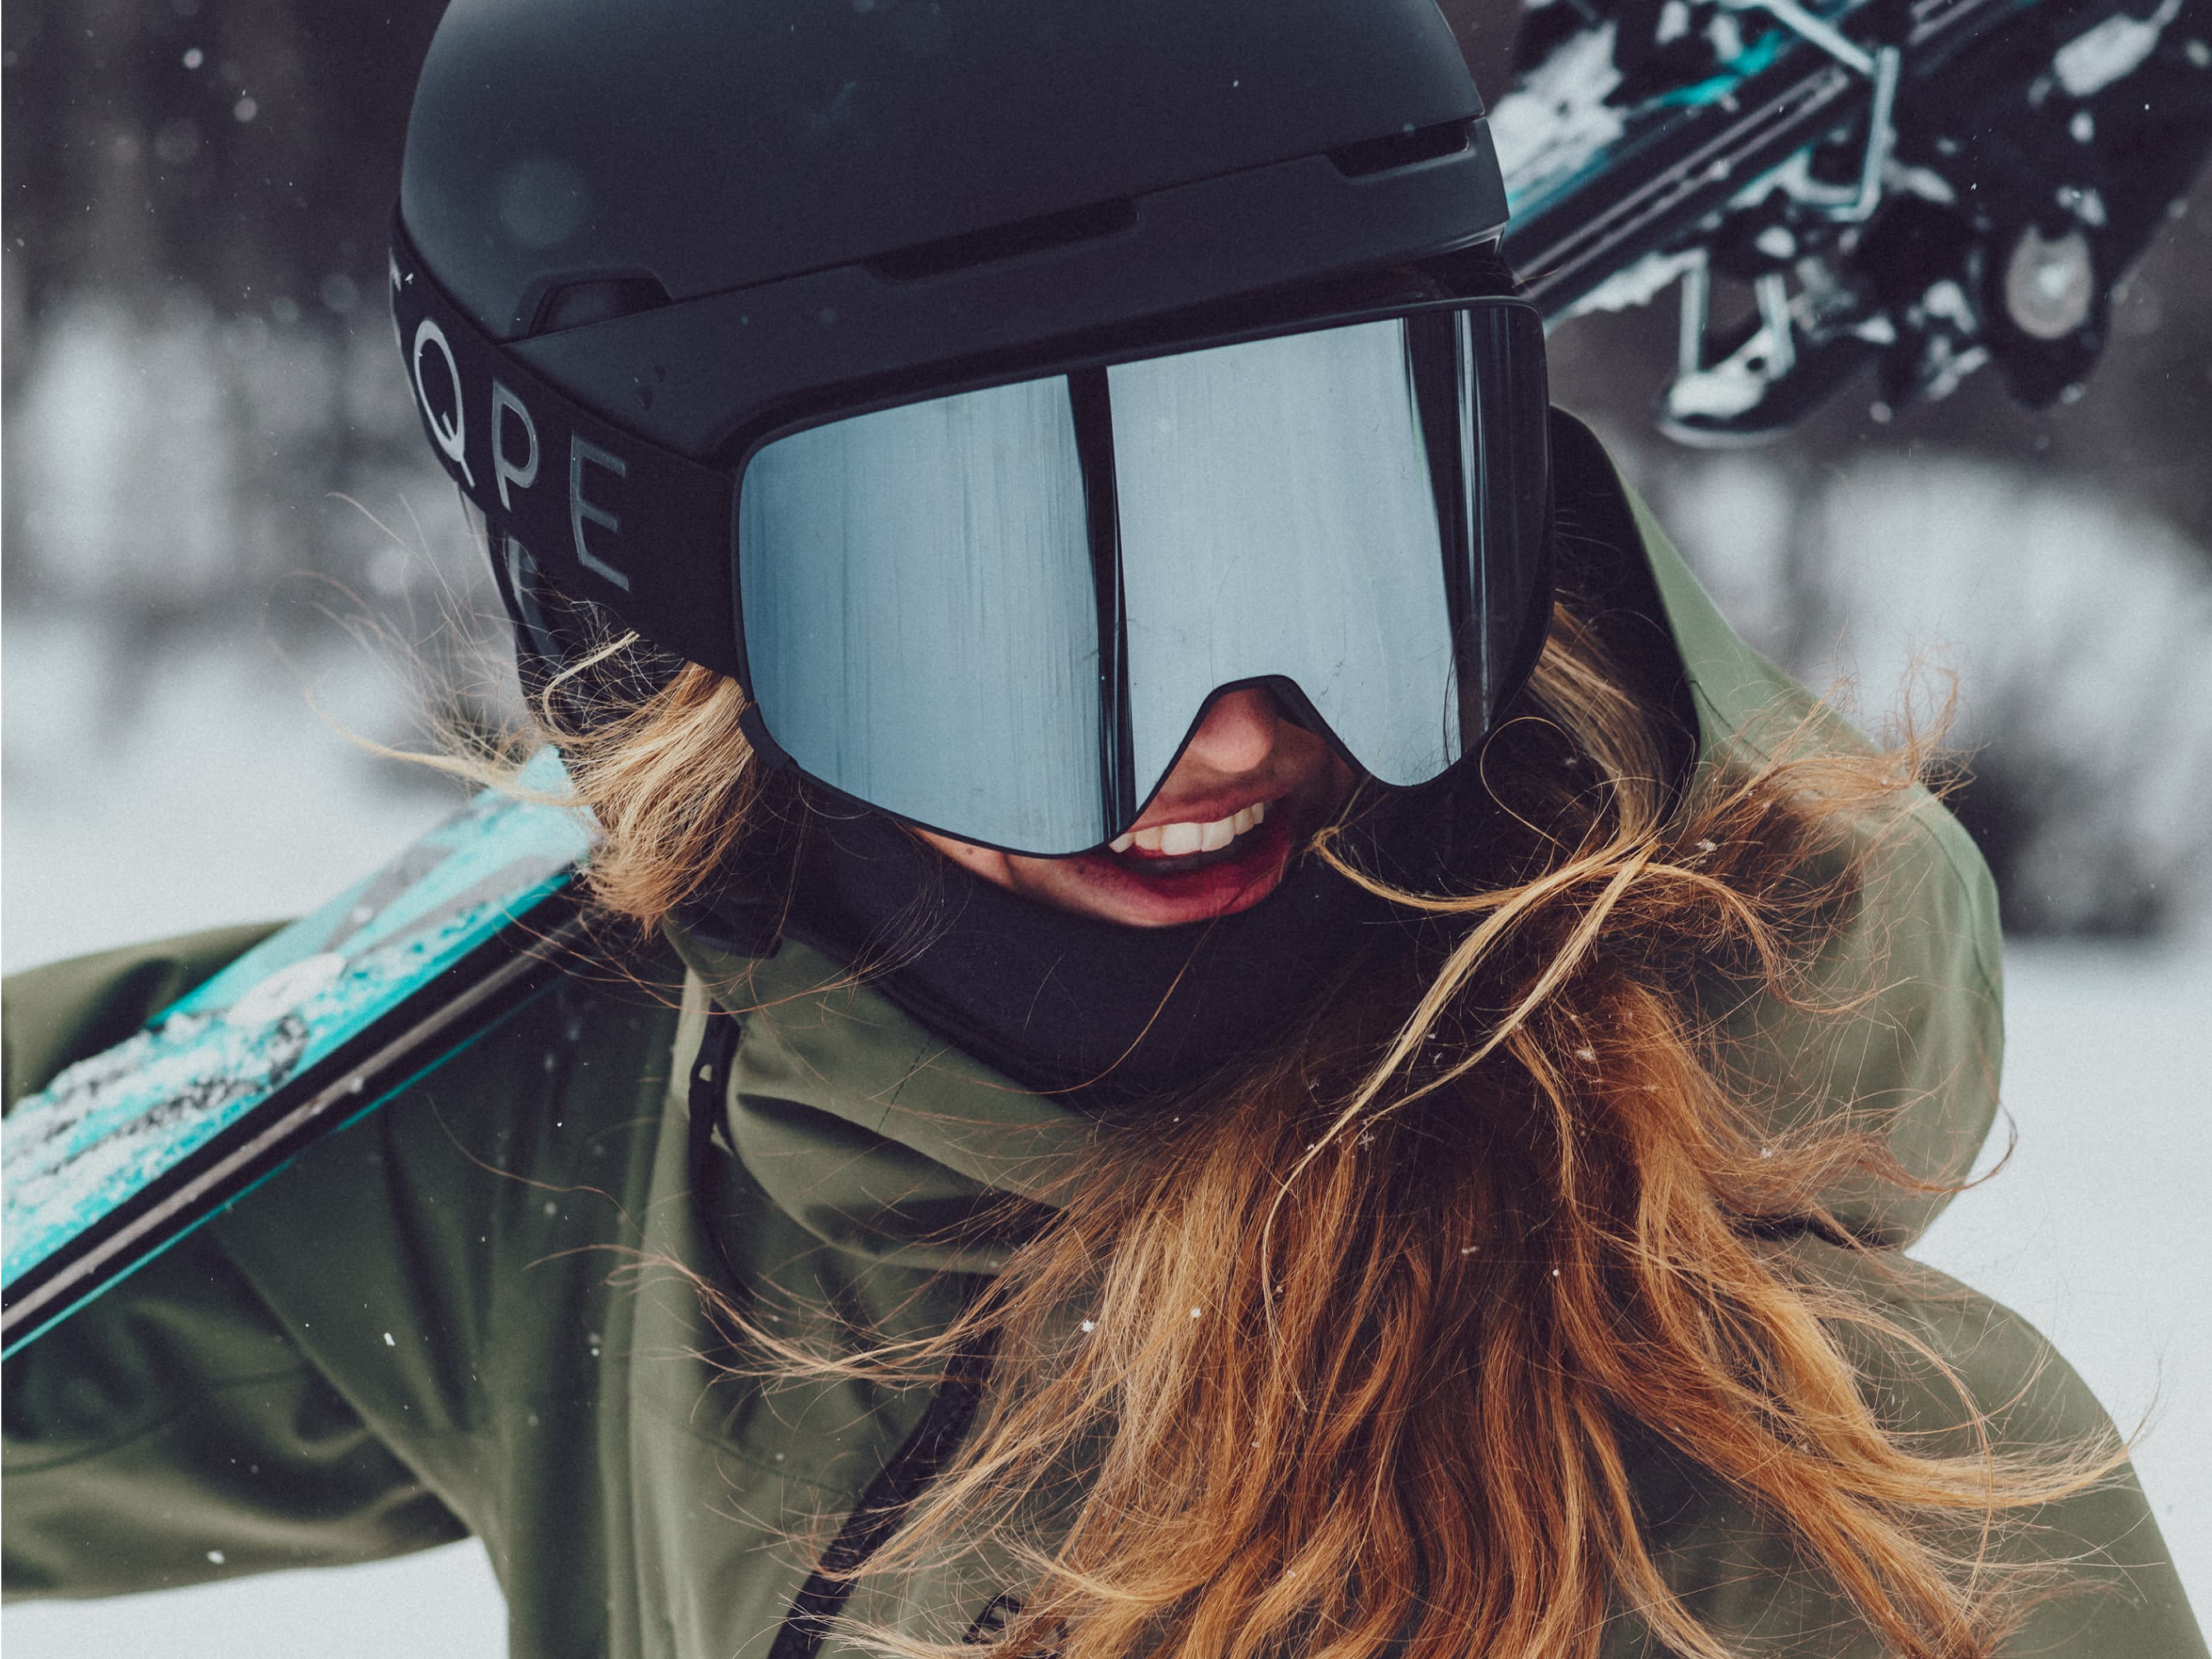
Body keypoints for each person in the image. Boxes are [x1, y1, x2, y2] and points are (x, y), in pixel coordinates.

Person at [4, 1, 2204, 1655]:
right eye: (1003, 600)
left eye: (1325, 534)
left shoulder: (1834, 1501)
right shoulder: (594, 1142)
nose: (1227, 729)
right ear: (677, 598)